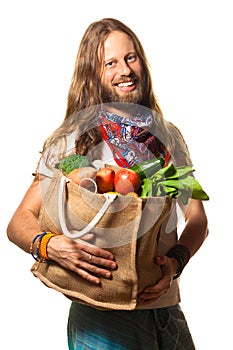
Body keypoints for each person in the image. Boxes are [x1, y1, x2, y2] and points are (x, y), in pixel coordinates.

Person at [7, 18, 208, 349]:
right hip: (100, 318)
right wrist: (50, 245)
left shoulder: (167, 137)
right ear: (93, 73)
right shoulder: (73, 143)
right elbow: (18, 222)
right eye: (110, 63)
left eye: (131, 58)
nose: (125, 70)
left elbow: (197, 218)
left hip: (166, 312)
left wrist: (176, 263)